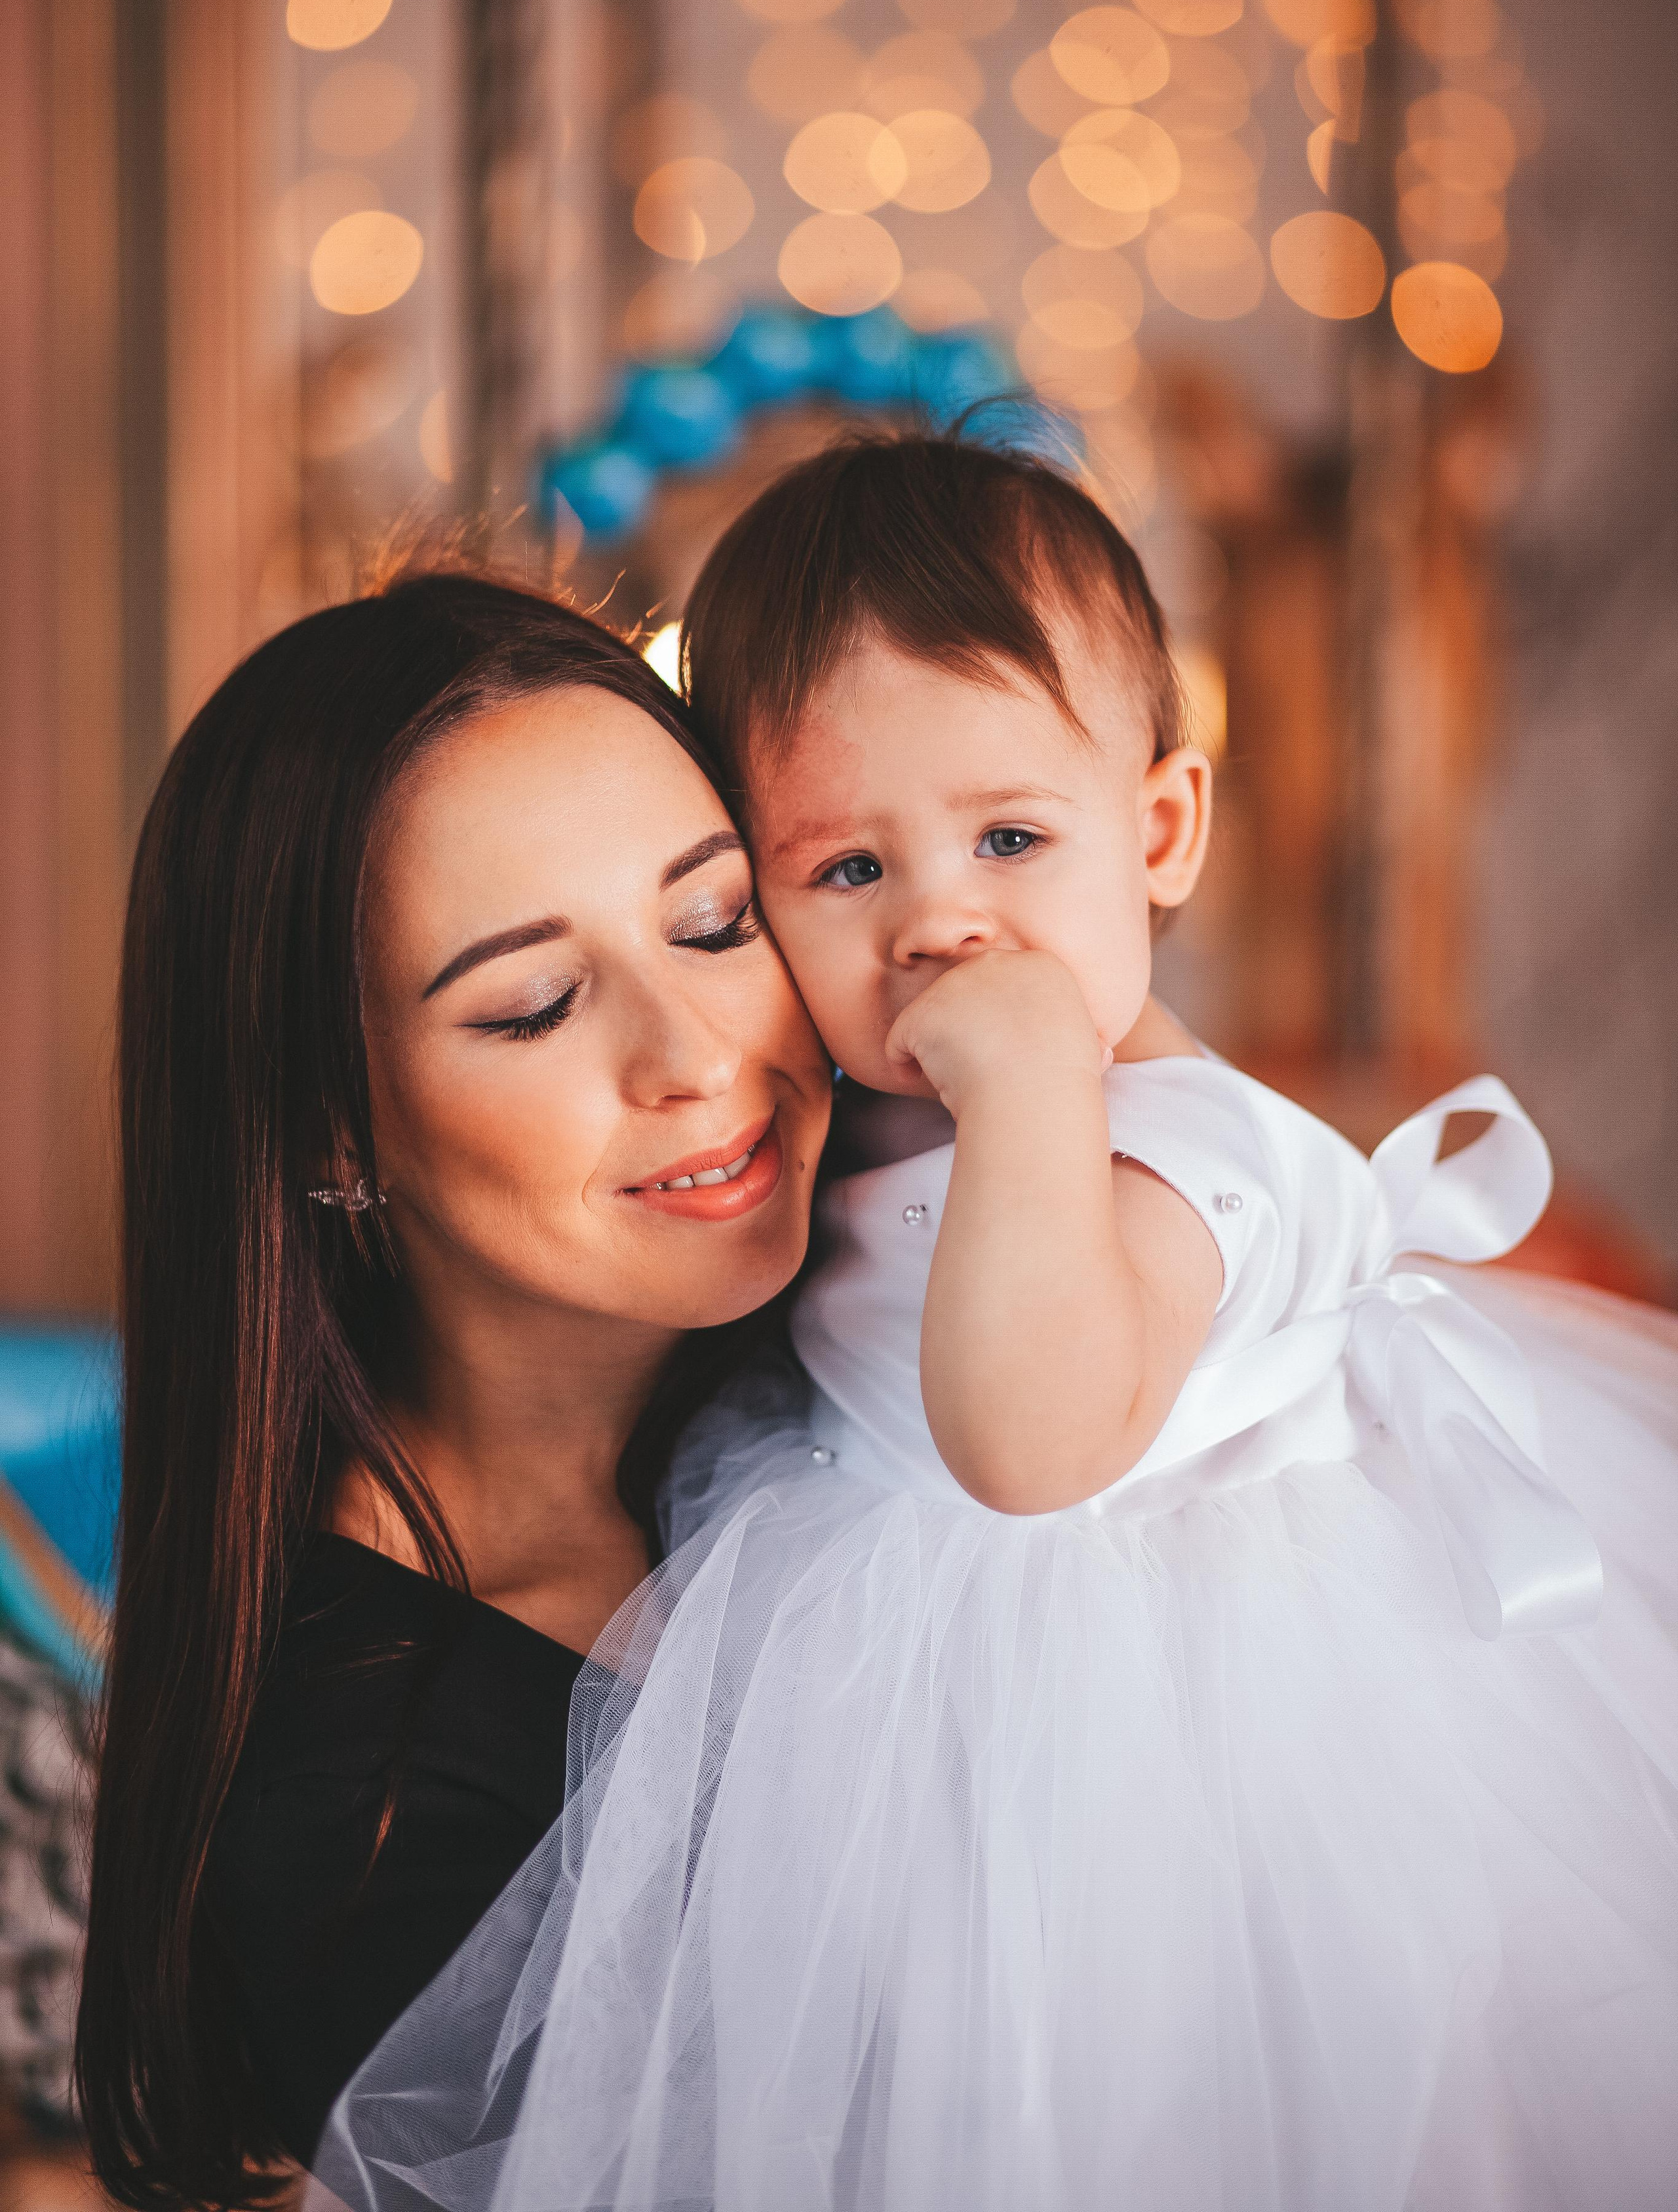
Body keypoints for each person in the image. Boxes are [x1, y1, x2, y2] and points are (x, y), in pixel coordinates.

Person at [319, 435, 1678, 2212]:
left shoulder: (1190, 1151)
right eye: (841, 873)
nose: (941, 925)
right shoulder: (861, 1118)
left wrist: (1036, 1079)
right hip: (914, 1752)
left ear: (1160, 832)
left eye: (1012, 840)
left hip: (1166, 1782)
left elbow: (1032, 1441)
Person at [73, 573, 832, 2207]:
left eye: (715, 922)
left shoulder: (930, 1327)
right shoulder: (356, 1810)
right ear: (330, 1124)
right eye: (533, 1006)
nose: (696, 1052)